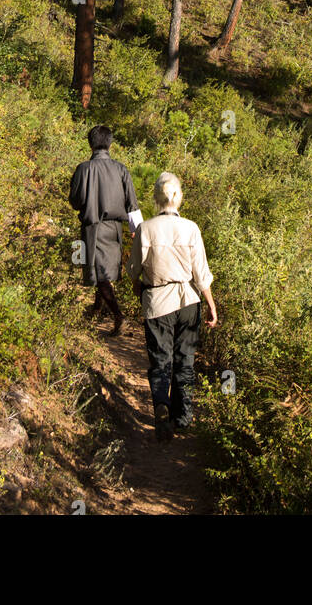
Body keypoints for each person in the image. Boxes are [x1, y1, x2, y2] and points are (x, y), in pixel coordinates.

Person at [128, 172, 217, 441]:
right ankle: (183, 417)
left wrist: (139, 291)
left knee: (160, 361)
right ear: (178, 198)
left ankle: (161, 408)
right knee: (185, 360)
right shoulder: (191, 228)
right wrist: (211, 304)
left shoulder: (146, 229)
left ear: (156, 198)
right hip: (189, 301)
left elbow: (133, 270)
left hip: (157, 304)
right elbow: (201, 273)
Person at [68, 125, 142, 336]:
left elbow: (75, 201)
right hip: (116, 229)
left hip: (94, 228)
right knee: (104, 272)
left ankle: (119, 316)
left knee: (99, 272)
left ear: (91, 144)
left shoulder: (84, 169)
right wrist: (136, 230)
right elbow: (132, 203)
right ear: (110, 144)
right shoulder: (121, 169)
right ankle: (96, 309)